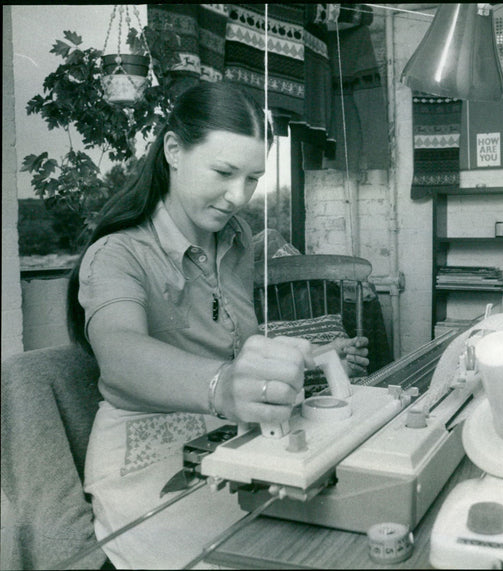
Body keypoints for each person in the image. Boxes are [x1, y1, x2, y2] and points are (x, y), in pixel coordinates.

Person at [65, 81, 367, 569]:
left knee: (320, 538)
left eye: (253, 179)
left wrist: (308, 354)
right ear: (173, 150)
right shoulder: (116, 254)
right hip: (145, 458)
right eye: (224, 172)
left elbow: (235, 345)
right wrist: (223, 385)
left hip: (228, 435)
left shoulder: (236, 238)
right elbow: (119, 355)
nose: (238, 196)